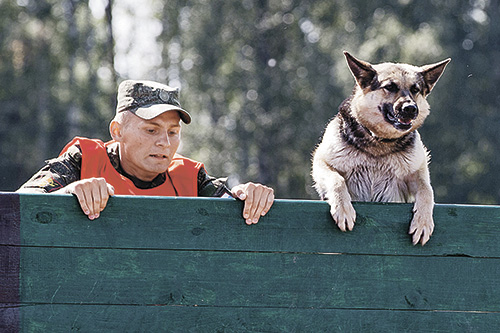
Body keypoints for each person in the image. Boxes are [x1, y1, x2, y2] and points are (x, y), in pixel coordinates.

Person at [17, 80, 274, 224]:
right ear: (117, 130)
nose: (164, 142)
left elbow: (229, 203)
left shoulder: (190, 177)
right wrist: (68, 192)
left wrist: (250, 197)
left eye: (173, 132)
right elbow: (18, 204)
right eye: (151, 130)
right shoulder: (84, 158)